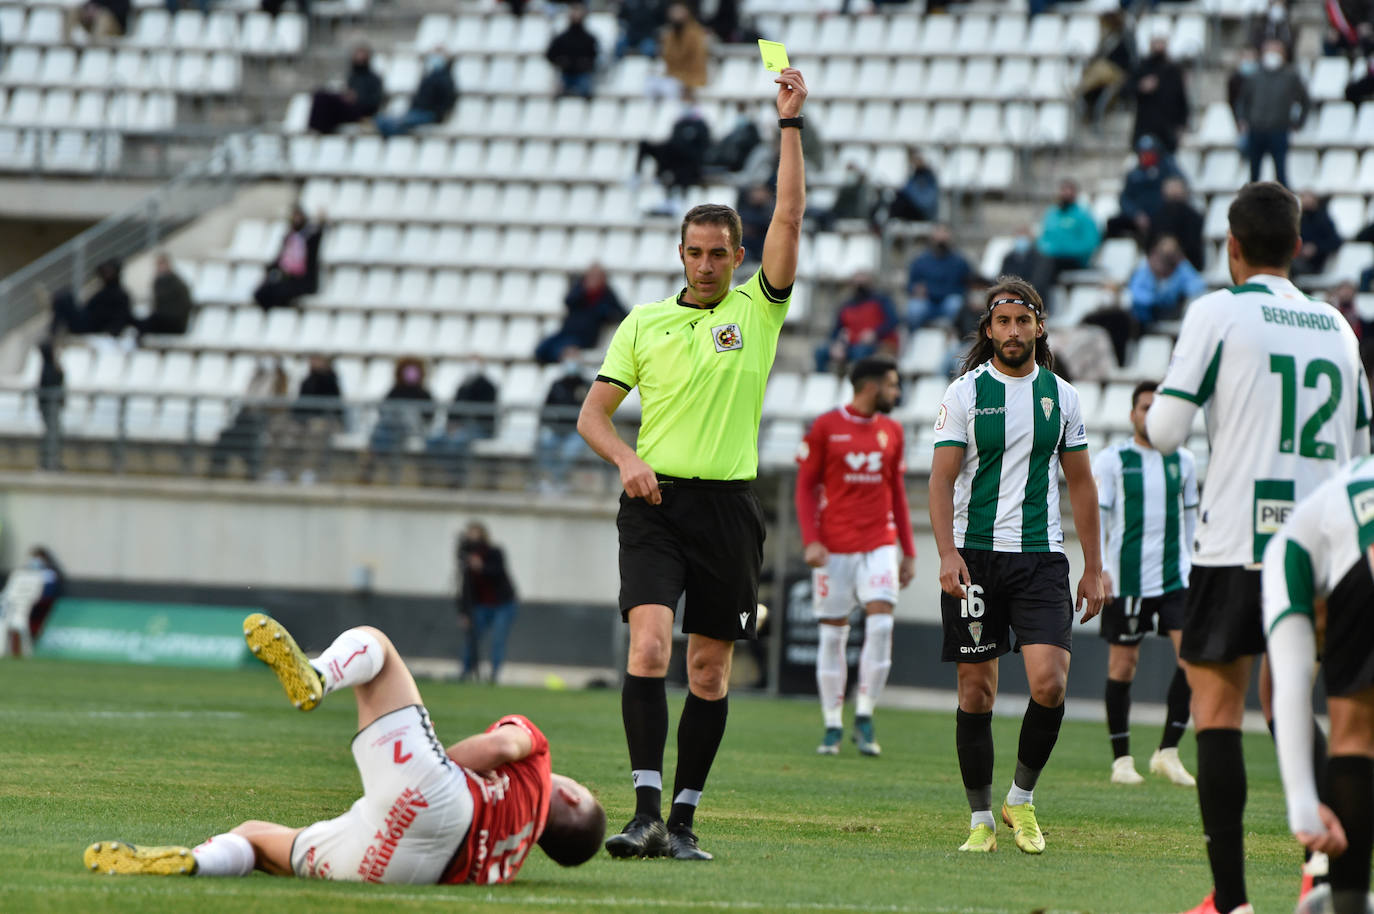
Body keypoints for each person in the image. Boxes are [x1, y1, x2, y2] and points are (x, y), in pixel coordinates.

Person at [577, 65, 808, 862]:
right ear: (680, 253)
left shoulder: (758, 308)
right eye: (697, 252)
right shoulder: (642, 324)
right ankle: (641, 811)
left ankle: (682, 822)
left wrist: (788, 124)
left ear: (739, 256)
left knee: (709, 671)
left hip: (730, 510)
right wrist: (625, 459)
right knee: (648, 648)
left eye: (721, 253)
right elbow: (593, 416)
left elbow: (790, 211)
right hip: (654, 506)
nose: (708, 264)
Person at [1144, 181, 1372, 914]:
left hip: (1239, 536)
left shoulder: (1217, 310)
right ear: (1300, 248)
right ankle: (1328, 876)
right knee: (1306, 702)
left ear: (1231, 247)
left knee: (1216, 708)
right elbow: (1363, 448)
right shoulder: (1338, 326)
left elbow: (1167, 431)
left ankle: (1234, 903)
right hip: (1330, 551)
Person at [84, 613, 604, 882]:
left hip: (441, 798)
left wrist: (436, 767)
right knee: (259, 842)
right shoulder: (509, 862)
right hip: (405, 871)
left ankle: (318, 674)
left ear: (575, 799)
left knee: (376, 646)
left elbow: (498, 745)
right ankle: (195, 862)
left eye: (577, 786)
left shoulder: (537, 767)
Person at [928, 276, 1104, 855]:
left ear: (1039, 327)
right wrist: (947, 554)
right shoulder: (966, 393)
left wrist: (1093, 566)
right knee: (976, 693)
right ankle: (980, 819)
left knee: (1050, 684)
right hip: (974, 559)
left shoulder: (1064, 397)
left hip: (1040, 558)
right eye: (1002, 322)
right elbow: (941, 479)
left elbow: (1080, 487)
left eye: (1022, 321)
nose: (1012, 331)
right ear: (989, 330)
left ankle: (1020, 801)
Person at [1262, 457, 1374, 914]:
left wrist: (1305, 806)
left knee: (1354, 736)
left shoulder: (1306, 529)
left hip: (1351, 555)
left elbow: (1288, 686)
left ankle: (1348, 902)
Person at [795, 357, 915, 756]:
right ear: (870, 387)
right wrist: (811, 539)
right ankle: (832, 724)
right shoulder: (826, 427)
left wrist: (908, 551)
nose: (897, 393)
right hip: (833, 546)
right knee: (833, 634)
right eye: (893, 385)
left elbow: (897, 491)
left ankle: (864, 714)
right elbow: (804, 487)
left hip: (879, 541)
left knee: (881, 625)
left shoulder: (893, 431)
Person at [1092, 381, 1199, 787]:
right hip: (1129, 579)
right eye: (1144, 407)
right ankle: (1122, 760)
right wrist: (1099, 568)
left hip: (1176, 576)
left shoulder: (1184, 461)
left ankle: (1168, 752)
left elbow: (1190, 521)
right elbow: (1100, 519)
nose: (1150, 414)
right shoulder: (1113, 459)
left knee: (1193, 662)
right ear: (1132, 413)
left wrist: (1195, 567)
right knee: (1123, 665)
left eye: (1157, 408)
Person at [1236, 40, 1310, 188]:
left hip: (1279, 129)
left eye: (1276, 52)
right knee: (1254, 174)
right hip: (1256, 129)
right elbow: (1243, 100)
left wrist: (1298, 123)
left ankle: (1284, 207)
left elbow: (1305, 101)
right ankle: (1252, 206)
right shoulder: (1254, 76)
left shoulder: (1290, 76)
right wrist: (1242, 119)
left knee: (1281, 174)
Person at [457, 523, 519, 684]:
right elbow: (465, 588)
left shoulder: (494, 552)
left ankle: (494, 675)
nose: (472, 537)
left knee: (498, 639)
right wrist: (464, 613)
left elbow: (498, 572)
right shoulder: (466, 557)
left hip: (502, 604)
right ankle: (465, 671)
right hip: (479, 605)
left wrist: (481, 567)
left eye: (475, 533)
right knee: (472, 638)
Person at [536, 266, 626, 365]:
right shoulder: (579, 290)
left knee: (563, 349)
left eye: (596, 277)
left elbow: (622, 313)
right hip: (566, 332)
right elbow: (568, 301)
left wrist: (606, 313)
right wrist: (583, 290)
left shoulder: (607, 296)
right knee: (542, 349)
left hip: (583, 338)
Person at [426, 363, 497, 487]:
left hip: (479, 428)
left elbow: (486, 414)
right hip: (457, 427)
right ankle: (450, 471)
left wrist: (462, 424)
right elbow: (453, 410)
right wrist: (451, 424)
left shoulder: (488, 387)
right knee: (433, 440)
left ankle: (457, 478)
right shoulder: (462, 386)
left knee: (458, 441)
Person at [814, 273, 899, 373]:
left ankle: (860, 384)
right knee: (821, 352)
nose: (859, 285)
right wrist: (837, 345)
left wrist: (875, 333)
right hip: (851, 345)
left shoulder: (881, 300)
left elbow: (893, 321)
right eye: (857, 282)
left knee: (860, 352)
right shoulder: (846, 306)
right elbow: (836, 330)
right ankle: (823, 384)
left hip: (876, 344)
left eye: (863, 282)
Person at [1107, 136, 1184, 243]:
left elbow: (1179, 187)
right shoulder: (1133, 174)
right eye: (1143, 153)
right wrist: (1136, 214)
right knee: (1113, 224)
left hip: (1162, 217)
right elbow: (1124, 199)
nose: (1147, 156)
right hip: (1139, 218)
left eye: (1150, 153)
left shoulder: (1168, 169)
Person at [1128, 235, 1208, 330]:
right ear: (1154, 253)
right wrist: (1156, 298)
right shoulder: (1145, 269)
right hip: (1147, 319)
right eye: (1162, 254)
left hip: (1173, 314)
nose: (1165, 260)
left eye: (1170, 256)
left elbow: (1198, 286)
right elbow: (1134, 294)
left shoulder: (1181, 267)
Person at [537, 352, 591, 492]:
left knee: (570, 451)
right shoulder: (557, 385)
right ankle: (550, 481)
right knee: (544, 443)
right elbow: (546, 408)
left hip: (578, 431)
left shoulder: (587, 386)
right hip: (556, 429)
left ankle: (556, 480)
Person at [254, 207, 325, 311]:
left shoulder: (309, 239)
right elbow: (279, 260)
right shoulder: (289, 238)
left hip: (303, 280)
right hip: (288, 278)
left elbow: (318, 235)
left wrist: (322, 222)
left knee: (281, 291)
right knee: (263, 292)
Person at [1130, 35, 1190, 155]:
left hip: (1167, 131)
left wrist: (1181, 125)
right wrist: (1141, 86)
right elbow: (1126, 90)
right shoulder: (1142, 67)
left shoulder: (1174, 71)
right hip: (1146, 128)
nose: (1159, 46)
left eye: (1161, 42)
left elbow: (1182, 101)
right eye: (1156, 42)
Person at [376, 50, 457, 138]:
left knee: (391, 123)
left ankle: (399, 138)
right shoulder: (429, 76)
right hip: (416, 111)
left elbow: (447, 102)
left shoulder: (446, 80)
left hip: (430, 114)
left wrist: (437, 113)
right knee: (381, 120)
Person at [905, 224, 972, 330]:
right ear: (932, 238)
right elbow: (909, 285)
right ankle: (913, 340)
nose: (941, 238)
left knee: (955, 304)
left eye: (944, 234)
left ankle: (954, 336)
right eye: (938, 234)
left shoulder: (960, 262)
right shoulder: (920, 261)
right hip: (927, 302)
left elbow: (969, 284)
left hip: (948, 301)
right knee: (915, 308)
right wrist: (915, 289)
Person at [308, 44, 384, 135]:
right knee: (321, 96)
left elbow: (374, 102)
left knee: (324, 98)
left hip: (361, 112)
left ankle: (318, 128)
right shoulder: (352, 76)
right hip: (349, 108)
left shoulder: (374, 78)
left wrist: (357, 98)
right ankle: (317, 128)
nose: (359, 57)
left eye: (361, 54)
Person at [49, 259, 133, 338]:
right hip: (86, 320)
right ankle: (55, 327)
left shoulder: (119, 295)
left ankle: (54, 332)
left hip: (90, 327)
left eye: (108, 272)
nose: (105, 275)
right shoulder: (105, 291)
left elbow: (122, 317)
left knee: (64, 298)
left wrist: (111, 332)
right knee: (63, 296)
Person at [1037, 179, 1101, 282]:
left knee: (1045, 266)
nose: (1066, 193)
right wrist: (1048, 250)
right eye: (1063, 190)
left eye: (1069, 190)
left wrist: (1060, 250)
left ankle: (1037, 296)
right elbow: (1042, 239)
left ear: (1075, 193)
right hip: (1051, 258)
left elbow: (1090, 243)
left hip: (1075, 259)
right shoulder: (1052, 213)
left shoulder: (1084, 214)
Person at [655, 3, 709, 100]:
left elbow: (697, 61)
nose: (675, 17)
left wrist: (685, 83)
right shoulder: (669, 35)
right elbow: (667, 58)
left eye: (678, 13)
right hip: (673, 77)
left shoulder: (695, 34)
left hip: (690, 78)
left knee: (669, 88)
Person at [1151, 177, 1206, 272]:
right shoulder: (1158, 216)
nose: (1173, 192)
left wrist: (1176, 250)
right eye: (1171, 189)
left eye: (1176, 188)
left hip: (1187, 263)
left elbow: (1194, 245)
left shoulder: (1193, 216)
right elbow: (1151, 242)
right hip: (1160, 265)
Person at [546, 4, 599, 99]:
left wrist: (586, 64)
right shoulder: (561, 38)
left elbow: (595, 56)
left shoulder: (589, 39)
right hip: (566, 74)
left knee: (586, 90)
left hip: (582, 74)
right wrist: (560, 62)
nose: (576, 16)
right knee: (558, 91)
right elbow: (550, 55)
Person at [135, 254, 193, 338]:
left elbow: (184, 304)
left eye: (162, 264)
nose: (160, 267)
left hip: (174, 322)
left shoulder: (176, 283)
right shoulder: (159, 281)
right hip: (163, 320)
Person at [1292, 191, 1343, 279]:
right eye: (1303, 198)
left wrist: (1316, 248)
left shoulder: (1324, 220)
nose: (1305, 201)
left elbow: (1336, 241)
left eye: (1308, 198)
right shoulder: (1297, 220)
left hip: (1315, 264)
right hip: (1298, 259)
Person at [887, 149, 939, 224]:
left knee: (900, 200)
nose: (915, 162)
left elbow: (925, 201)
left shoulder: (928, 177)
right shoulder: (916, 175)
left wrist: (906, 192)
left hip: (922, 213)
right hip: (916, 210)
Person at [36, 339, 64, 472]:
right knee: (51, 434)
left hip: (53, 406)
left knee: (53, 434)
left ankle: (52, 462)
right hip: (49, 406)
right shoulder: (49, 367)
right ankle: (49, 463)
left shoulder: (51, 366)